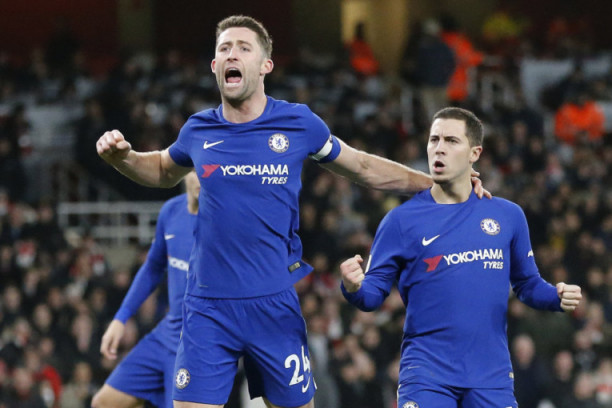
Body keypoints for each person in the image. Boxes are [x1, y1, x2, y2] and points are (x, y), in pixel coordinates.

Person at [96, 16, 488, 408]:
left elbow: (362, 167)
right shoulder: (198, 129)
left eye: (243, 48)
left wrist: (434, 184)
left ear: (265, 65)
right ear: (215, 66)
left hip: (273, 306)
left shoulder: (298, 123)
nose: (232, 54)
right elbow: (162, 170)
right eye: (224, 49)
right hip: (207, 308)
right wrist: (124, 159)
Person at [340, 106, 582, 408]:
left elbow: (527, 284)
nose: (439, 148)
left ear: (474, 153)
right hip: (426, 375)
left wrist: (555, 296)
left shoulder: (507, 215)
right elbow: (372, 296)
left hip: (490, 375)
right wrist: (352, 286)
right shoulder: (400, 221)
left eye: (451, 141)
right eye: (434, 140)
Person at [91, 171, 199, 408]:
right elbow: (153, 267)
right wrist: (120, 318)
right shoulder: (171, 211)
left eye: (209, 169)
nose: (202, 177)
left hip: (198, 344)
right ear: (183, 171)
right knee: (103, 403)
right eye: (195, 170)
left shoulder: (224, 222)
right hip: (167, 333)